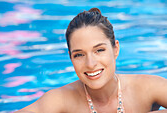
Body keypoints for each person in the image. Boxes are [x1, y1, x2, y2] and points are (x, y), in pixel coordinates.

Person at [15, 8, 167, 113]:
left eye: (99, 50)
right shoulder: (61, 99)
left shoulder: (147, 88)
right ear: (70, 57)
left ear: (115, 49)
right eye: (79, 55)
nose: (90, 64)